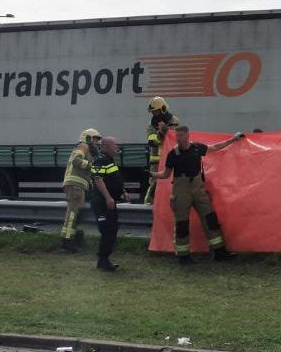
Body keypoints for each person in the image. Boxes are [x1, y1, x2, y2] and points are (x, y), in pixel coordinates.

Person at [149, 124, 243, 264]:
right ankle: (183, 256)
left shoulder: (197, 148)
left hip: (198, 189)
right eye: (177, 136)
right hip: (181, 191)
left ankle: (219, 252)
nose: (178, 138)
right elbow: (166, 174)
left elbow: (215, 147)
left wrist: (233, 139)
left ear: (187, 135)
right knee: (182, 224)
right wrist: (152, 174)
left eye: (181, 135)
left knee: (210, 219)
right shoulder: (173, 154)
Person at [90, 136, 127, 272]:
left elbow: (114, 179)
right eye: (114, 145)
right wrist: (108, 198)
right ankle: (103, 260)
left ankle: (103, 260)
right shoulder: (100, 160)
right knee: (107, 230)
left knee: (112, 229)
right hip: (102, 202)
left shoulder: (109, 160)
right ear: (106, 147)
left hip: (109, 201)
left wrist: (123, 191)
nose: (116, 147)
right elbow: (98, 180)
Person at [61, 128, 101, 252]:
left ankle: (71, 240)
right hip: (75, 186)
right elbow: (76, 160)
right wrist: (91, 166)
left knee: (75, 213)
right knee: (73, 214)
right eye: (95, 139)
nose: (97, 143)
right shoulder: (84, 146)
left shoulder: (88, 151)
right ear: (88, 139)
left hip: (78, 186)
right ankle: (67, 242)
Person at [144, 97, 180, 204]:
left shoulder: (174, 121)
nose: (154, 114)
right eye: (152, 112)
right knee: (154, 184)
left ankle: (168, 205)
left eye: (155, 111)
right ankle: (149, 204)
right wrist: (161, 133)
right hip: (156, 161)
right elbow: (152, 142)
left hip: (171, 157)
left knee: (172, 182)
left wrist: (166, 131)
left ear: (163, 109)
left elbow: (173, 138)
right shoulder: (151, 125)